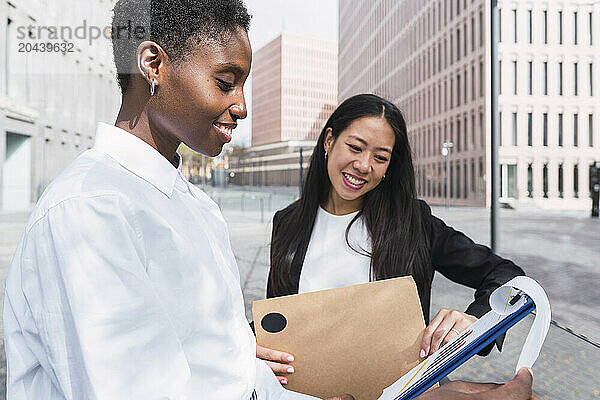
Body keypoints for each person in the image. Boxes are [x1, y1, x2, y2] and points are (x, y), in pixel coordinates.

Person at [1, 0, 536, 397]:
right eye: (225, 80)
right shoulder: (91, 210)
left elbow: (228, 364)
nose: (241, 106)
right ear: (153, 64)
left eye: (382, 157)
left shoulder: (192, 207)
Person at [259, 94, 527, 388]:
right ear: (328, 141)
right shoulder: (287, 223)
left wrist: (475, 321)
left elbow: (507, 275)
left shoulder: (412, 221)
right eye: (355, 147)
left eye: (380, 157)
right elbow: (276, 320)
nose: (363, 165)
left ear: (389, 167)